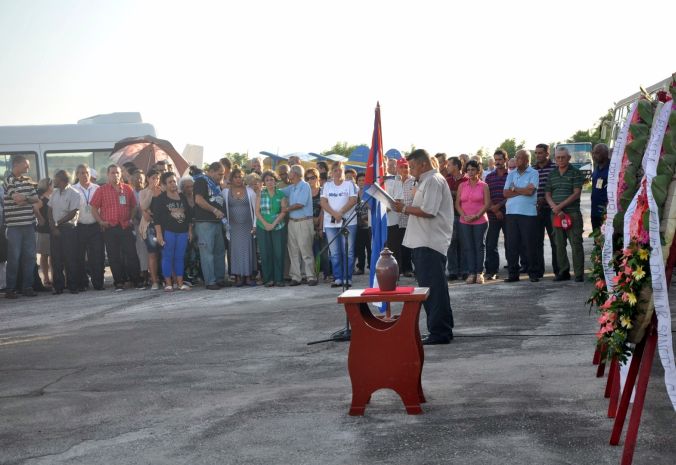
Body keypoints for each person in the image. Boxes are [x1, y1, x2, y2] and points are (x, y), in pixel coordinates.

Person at [394, 149, 454, 345]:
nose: (410, 171)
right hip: (423, 241)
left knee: (434, 290)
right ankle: (440, 329)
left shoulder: (433, 180)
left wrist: (402, 208)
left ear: (423, 164)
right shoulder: (425, 181)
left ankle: (440, 332)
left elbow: (429, 211)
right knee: (432, 289)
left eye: (412, 166)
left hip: (430, 242)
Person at [90, 164, 142, 291]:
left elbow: (134, 206)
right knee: (114, 256)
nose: (115, 175)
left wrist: (130, 219)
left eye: (118, 173)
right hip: (110, 228)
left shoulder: (127, 189)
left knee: (131, 254)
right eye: (112, 173)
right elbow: (93, 208)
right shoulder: (101, 190)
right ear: (108, 175)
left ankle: (136, 280)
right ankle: (119, 282)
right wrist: (101, 222)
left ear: (121, 174)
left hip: (125, 226)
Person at [3, 155, 40, 299]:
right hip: (14, 227)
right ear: (16, 165)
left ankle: (27, 287)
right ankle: (10, 289)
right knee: (13, 258)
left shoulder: (28, 181)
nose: (28, 168)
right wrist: (27, 199)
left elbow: (36, 200)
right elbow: (18, 200)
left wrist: (24, 198)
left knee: (30, 258)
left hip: (29, 225)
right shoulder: (8, 180)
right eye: (26, 165)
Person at [545, 146, 584, 282]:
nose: (560, 160)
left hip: (572, 213)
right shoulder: (552, 174)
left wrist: (559, 207)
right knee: (559, 244)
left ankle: (579, 274)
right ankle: (563, 272)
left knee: (576, 243)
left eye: (563, 157)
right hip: (556, 215)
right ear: (555, 159)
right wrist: (554, 207)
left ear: (569, 158)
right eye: (558, 157)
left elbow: (576, 193)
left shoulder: (576, 173)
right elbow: (547, 193)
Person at [503, 149, 540, 283]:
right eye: (516, 157)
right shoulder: (511, 174)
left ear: (526, 160)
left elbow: (530, 192)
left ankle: (533, 273)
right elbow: (505, 193)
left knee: (529, 244)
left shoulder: (534, 173)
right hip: (511, 213)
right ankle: (513, 274)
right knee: (512, 244)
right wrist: (521, 190)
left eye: (519, 158)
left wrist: (514, 189)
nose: (516, 160)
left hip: (528, 214)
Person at [320, 161, 358, 288]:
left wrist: (340, 212)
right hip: (331, 224)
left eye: (340, 170)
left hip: (348, 222)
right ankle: (338, 278)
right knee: (335, 252)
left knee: (348, 251)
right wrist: (334, 214)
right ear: (332, 172)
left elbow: (353, 200)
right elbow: (323, 202)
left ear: (343, 170)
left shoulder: (350, 184)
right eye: (335, 170)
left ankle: (347, 278)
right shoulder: (327, 186)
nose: (337, 172)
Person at [153, 172, 192, 291]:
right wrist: (159, 234)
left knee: (179, 257)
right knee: (167, 257)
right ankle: (168, 283)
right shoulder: (160, 199)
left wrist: (190, 231)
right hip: (168, 232)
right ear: (164, 185)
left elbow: (189, 216)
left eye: (174, 181)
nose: (173, 184)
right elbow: (157, 219)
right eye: (170, 182)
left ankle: (180, 284)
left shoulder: (182, 197)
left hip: (183, 232)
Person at [192, 162, 228, 290]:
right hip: (205, 222)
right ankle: (210, 281)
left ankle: (220, 279)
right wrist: (214, 210)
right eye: (220, 174)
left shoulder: (217, 185)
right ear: (211, 171)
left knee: (219, 251)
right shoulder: (201, 181)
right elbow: (198, 200)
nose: (221, 177)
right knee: (207, 252)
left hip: (217, 222)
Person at [281, 164, 317, 286]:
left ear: (295, 174)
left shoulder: (305, 186)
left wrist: (286, 209)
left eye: (290, 172)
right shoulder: (292, 187)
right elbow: (277, 191)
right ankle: (296, 277)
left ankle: (311, 276)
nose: (288, 174)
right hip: (292, 222)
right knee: (293, 251)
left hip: (304, 221)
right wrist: (264, 186)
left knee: (306, 250)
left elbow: (300, 204)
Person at [221, 168, 257, 286]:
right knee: (235, 251)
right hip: (233, 228)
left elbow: (256, 210)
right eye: (236, 177)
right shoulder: (225, 192)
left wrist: (255, 225)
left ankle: (248, 276)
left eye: (240, 176)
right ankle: (237, 277)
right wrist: (225, 224)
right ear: (231, 179)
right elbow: (222, 210)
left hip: (248, 226)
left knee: (247, 250)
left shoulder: (250, 191)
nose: (238, 179)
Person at [456, 160, 490, 284]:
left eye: (473, 170)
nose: (470, 172)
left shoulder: (484, 185)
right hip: (464, 221)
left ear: (478, 171)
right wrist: (464, 216)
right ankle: (471, 273)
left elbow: (487, 204)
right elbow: (458, 204)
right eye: (468, 170)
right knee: (468, 247)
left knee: (479, 246)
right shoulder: (462, 185)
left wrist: (476, 216)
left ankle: (479, 273)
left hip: (480, 220)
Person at [48, 170, 81, 294]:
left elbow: (73, 213)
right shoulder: (54, 193)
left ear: (61, 179)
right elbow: (49, 210)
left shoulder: (74, 193)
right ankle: (58, 286)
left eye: (55, 178)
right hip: (55, 229)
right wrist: (53, 226)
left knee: (70, 258)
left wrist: (58, 223)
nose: (53, 181)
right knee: (56, 259)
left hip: (68, 229)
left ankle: (73, 286)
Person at [73, 164, 105, 291]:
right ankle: (82, 283)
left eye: (86, 172)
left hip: (95, 227)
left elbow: (102, 207)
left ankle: (98, 283)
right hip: (79, 227)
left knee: (97, 256)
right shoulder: (73, 189)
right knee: (79, 256)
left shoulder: (98, 188)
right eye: (81, 173)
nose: (84, 175)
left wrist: (102, 222)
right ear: (77, 175)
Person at [255, 170, 287, 287]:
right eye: (267, 180)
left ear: (275, 180)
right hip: (262, 227)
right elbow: (257, 212)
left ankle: (279, 279)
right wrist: (266, 224)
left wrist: (273, 224)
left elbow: (283, 211)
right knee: (265, 253)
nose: (269, 182)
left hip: (278, 226)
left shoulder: (281, 194)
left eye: (272, 179)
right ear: (264, 182)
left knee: (278, 253)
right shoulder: (260, 193)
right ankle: (268, 279)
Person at [533, 143, 558, 279]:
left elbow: (557, 187)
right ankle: (538, 271)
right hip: (536, 210)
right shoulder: (532, 169)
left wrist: (546, 199)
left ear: (547, 154)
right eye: (536, 153)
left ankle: (558, 270)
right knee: (536, 242)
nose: (537, 155)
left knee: (555, 241)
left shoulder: (555, 168)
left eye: (540, 153)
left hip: (552, 210)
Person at [484, 149, 509, 280]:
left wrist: (499, 207)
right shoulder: (489, 177)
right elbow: (486, 196)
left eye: (500, 160)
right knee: (491, 244)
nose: (497, 162)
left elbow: (512, 194)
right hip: (492, 215)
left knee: (510, 242)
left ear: (505, 159)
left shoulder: (511, 175)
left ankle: (512, 268)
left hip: (508, 215)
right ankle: (491, 270)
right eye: (496, 160)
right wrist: (495, 208)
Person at [139, 169, 163, 289]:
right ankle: (154, 281)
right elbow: (143, 205)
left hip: (162, 226)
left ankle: (165, 278)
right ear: (148, 178)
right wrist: (150, 192)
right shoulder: (143, 192)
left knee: (164, 253)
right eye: (153, 178)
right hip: (150, 227)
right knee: (152, 253)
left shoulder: (163, 191)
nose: (155, 180)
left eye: (157, 178)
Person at [445, 156, 467, 280]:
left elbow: (465, 195)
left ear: (457, 166)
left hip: (464, 215)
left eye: (449, 165)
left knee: (464, 243)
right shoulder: (446, 180)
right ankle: (453, 271)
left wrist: (453, 193)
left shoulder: (466, 179)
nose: (447, 167)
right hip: (450, 215)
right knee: (451, 244)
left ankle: (464, 270)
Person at [306, 168, 330, 282]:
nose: (310, 180)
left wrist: (319, 225)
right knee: (311, 252)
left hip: (322, 223)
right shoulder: (305, 193)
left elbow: (323, 209)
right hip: (308, 224)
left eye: (313, 177)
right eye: (308, 178)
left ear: (318, 178)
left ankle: (327, 273)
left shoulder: (322, 191)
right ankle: (314, 275)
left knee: (324, 251)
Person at [130, 170, 149, 286]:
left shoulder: (148, 192)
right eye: (136, 178)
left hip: (148, 224)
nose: (139, 180)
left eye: (141, 178)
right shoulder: (128, 193)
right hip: (135, 225)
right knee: (139, 250)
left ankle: (149, 273)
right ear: (131, 181)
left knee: (148, 250)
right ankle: (141, 273)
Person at [384, 157, 404, 267]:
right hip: (376, 221)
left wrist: (383, 210)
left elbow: (397, 200)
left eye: (393, 165)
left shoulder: (395, 180)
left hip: (391, 221)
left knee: (393, 248)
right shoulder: (374, 180)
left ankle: (395, 272)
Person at [397, 158, 415, 277]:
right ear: (397, 168)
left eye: (406, 167)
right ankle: (402, 268)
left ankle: (410, 269)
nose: (404, 169)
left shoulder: (414, 181)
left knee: (411, 245)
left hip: (411, 217)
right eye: (402, 167)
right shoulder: (394, 181)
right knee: (401, 245)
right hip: (397, 218)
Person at [35, 178, 53, 289]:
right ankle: (46, 278)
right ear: (47, 186)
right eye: (51, 184)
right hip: (43, 231)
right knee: (44, 255)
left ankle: (51, 277)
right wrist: (41, 219)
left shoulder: (51, 197)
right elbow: (35, 209)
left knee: (51, 255)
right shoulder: (41, 198)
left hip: (50, 230)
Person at [354, 172, 371, 276]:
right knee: (359, 247)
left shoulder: (369, 193)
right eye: (359, 180)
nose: (361, 182)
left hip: (368, 224)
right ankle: (360, 267)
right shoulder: (355, 193)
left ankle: (371, 265)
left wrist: (367, 218)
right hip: (358, 224)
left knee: (370, 247)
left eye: (363, 180)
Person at [591, 143, 610, 231]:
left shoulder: (612, 168)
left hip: (606, 212)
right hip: (594, 210)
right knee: (597, 241)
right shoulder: (596, 168)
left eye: (597, 153)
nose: (594, 155)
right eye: (593, 153)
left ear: (606, 153)